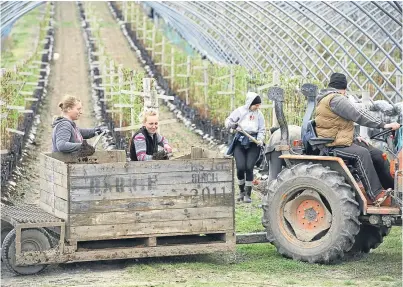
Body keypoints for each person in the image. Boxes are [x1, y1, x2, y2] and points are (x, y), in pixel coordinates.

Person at [315, 72, 400, 206]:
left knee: (376, 154)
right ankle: (376, 195)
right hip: (332, 144)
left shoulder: (330, 99)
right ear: (343, 88)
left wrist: (355, 137)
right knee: (362, 154)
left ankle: (395, 192)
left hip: (341, 140)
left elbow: (337, 124)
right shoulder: (336, 99)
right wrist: (384, 125)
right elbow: (358, 114)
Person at [225, 92, 266, 203]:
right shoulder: (240, 111)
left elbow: (262, 129)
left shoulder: (259, 115)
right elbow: (228, 121)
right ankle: (241, 191)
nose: (258, 107)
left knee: (249, 167)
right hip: (240, 142)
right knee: (240, 167)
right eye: (256, 105)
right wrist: (232, 125)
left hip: (253, 144)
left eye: (258, 105)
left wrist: (260, 139)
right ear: (250, 103)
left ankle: (248, 195)